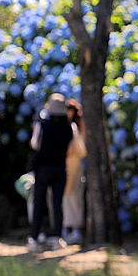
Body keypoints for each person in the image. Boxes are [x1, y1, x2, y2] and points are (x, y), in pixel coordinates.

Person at [28, 93, 73, 251]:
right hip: (60, 168)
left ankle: (34, 238)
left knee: (38, 203)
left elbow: (34, 145)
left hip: (43, 168)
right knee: (57, 204)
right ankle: (57, 238)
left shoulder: (42, 125)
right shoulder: (69, 128)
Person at [62, 98, 87, 245]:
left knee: (73, 198)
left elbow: (79, 149)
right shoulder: (72, 126)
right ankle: (68, 230)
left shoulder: (75, 127)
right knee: (68, 198)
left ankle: (75, 230)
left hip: (74, 165)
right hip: (69, 165)